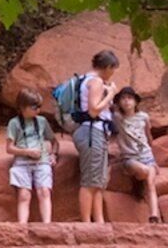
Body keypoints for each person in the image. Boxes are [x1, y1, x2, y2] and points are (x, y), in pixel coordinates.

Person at [51, 47, 123, 206]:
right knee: (91, 181)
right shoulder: (95, 81)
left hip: (90, 131)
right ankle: (87, 224)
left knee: (97, 181)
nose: (113, 73)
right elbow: (93, 110)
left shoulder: (83, 79)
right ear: (108, 67)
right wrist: (111, 94)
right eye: (113, 69)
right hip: (91, 132)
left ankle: (98, 222)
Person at [1, 88, 57, 224]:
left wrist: (53, 154)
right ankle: (22, 226)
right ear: (22, 107)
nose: (37, 110)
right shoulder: (14, 123)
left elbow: (54, 141)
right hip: (22, 162)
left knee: (44, 191)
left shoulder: (42, 121)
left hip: (41, 161)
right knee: (24, 195)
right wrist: (27, 152)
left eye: (39, 107)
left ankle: (47, 224)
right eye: (34, 107)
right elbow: (9, 148)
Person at [104, 87, 159, 222]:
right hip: (130, 158)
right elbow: (107, 104)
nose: (126, 101)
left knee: (151, 183)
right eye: (123, 99)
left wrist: (153, 157)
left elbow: (148, 136)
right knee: (146, 172)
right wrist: (108, 88)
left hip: (146, 156)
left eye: (129, 98)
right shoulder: (118, 117)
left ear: (135, 102)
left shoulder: (144, 117)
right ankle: (139, 183)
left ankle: (154, 216)